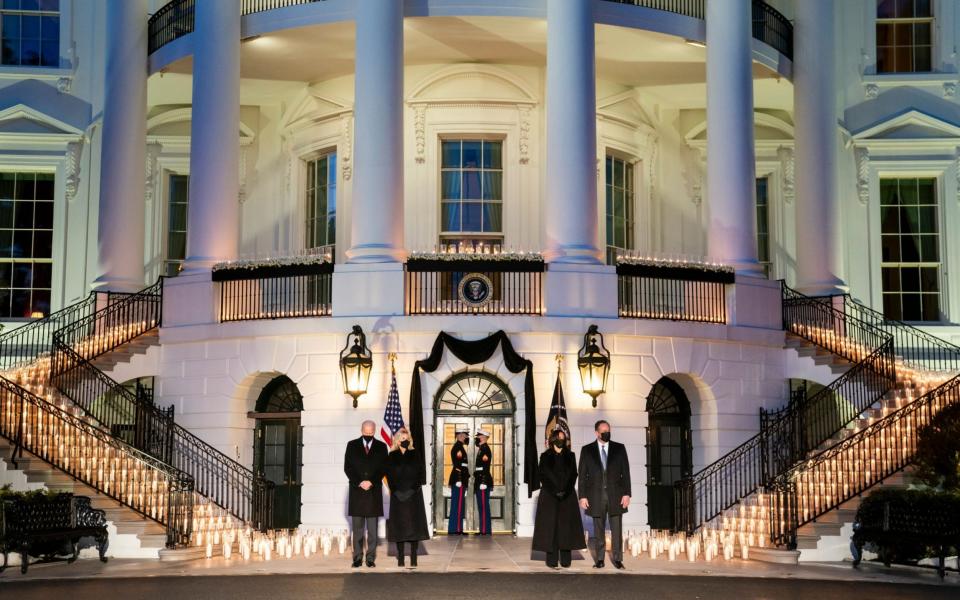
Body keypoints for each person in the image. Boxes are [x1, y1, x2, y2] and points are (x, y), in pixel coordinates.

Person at [578, 420, 631, 569]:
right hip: (596, 495)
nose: (606, 433)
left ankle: (618, 559)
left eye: (608, 430)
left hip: (616, 495)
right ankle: (600, 559)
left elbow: (625, 473)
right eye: (603, 431)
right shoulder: (587, 450)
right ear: (596, 433)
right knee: (598, 529)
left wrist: (627, 494)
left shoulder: (619, 448)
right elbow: (582, 476)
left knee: (616, 529)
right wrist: (582, 496)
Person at [532, 429, 586, 569]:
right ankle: (552, 560)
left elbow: (574, 474)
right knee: (552, 528)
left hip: (567, 497)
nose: (561, 440)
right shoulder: (545, 456)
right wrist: (555, 491)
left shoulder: (571, 455)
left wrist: (565, 491)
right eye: (559, 437)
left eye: (563, 438)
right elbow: (542, 475)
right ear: (553, 439)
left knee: (566, 528)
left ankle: (566, 559)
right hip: (550, 496)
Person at [343, 420, 388, 568]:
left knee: (373, 530)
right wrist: (360, 482)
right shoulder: (351, 445)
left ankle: (370, 558)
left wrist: (372, 482)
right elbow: (347, 468)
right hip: (357, 492)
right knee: (357, 530)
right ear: (361, 430)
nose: (368, 434)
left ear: (374, 431)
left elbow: (383, 468)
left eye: (371, 432)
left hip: (373, 493)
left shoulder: (381, 447)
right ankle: (357, 558)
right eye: (366, 432)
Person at [385, 427, 430, 568]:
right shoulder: (391, 455)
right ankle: (400, 557)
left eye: (407, 438)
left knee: (413, 527)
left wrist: (412, 490)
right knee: (400, 527)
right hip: (398, 496)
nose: (405, 441)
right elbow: (389, 475)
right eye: (402, 439)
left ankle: (414, 556)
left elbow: (420, 474)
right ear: (397, 440)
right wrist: (396, 491)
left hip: (413, 495)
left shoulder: (415, 453)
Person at [447, 427, 471, 534]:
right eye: (463, 435)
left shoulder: (460, 447)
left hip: (460, 479)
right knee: (458, 505)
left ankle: (455, 529)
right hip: (458, 480)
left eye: (465, 435)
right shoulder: (458, 447)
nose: (465, 437)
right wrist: (459, 479)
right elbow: (458, 465)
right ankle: (457, 529)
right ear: (458, 436)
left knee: (458, 504)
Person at [473, 429, 493, 535]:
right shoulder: (481, 448)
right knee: (481, 506)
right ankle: (483, 529)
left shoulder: (485, 449)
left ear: (484, 437)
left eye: (479, 436)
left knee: (484, 507)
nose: (478, 438)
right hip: (480, 480)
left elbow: (485, 467)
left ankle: (485, 530)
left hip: (483, 481)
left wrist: (484, 482)